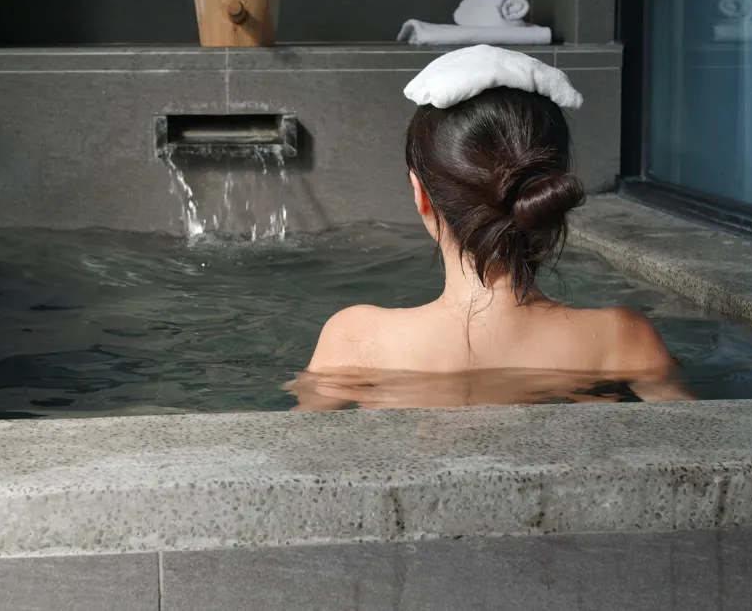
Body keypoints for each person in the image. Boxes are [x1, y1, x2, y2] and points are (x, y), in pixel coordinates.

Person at [293, 47, 691, 409]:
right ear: (548, 192)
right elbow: (705, 445)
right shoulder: (622, 340)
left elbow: (288, 463)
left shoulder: (357, 339)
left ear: (422, 196)